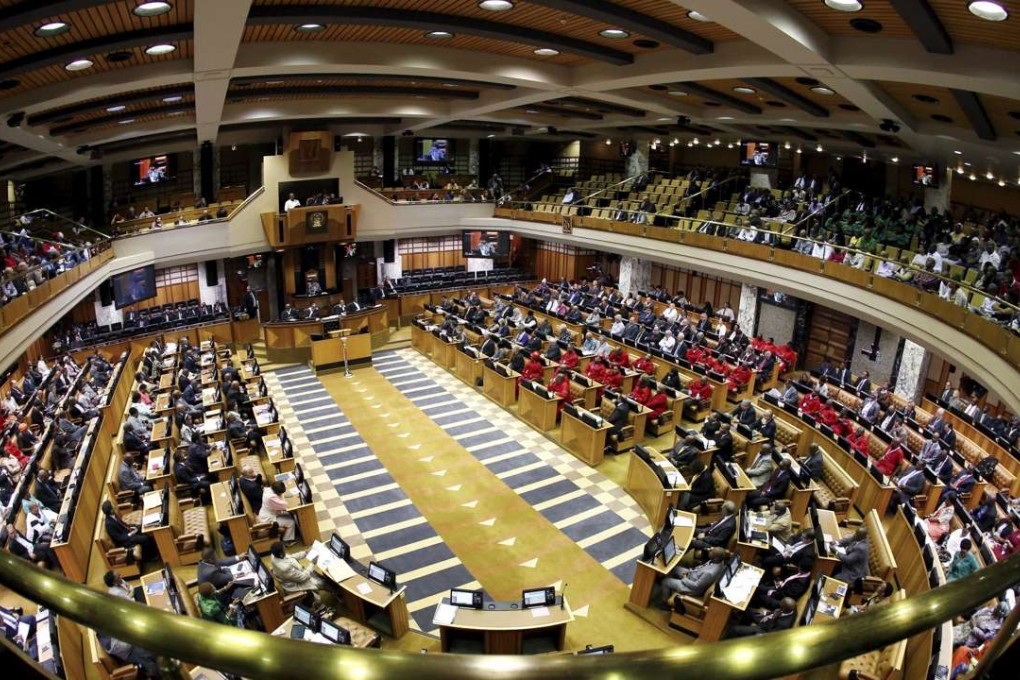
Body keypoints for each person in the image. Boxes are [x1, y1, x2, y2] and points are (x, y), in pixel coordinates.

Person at [657, 546, 728, 610]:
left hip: (691, 588)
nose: (710, 550)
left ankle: (665, 603)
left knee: (666, 582)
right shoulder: (719, 561)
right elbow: (701, 568)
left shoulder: (710, 573)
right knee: (674, 568)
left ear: (716, 558)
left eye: (712, 551)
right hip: (692, 575)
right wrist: (689, 571)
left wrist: (684, 579)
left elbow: (696, 586)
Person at [726, 597, 797, 638]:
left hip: (764, 629)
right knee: (748, 611)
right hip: (767, 619)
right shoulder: (792, 607)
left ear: (783, 609)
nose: (779, 606)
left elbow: (770, 633)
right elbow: (778, 610)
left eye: (780, 606)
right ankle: (743, 629)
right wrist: (767, 613)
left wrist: (772, 618)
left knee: (734, 629)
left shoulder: (783, 624)